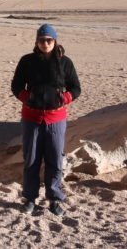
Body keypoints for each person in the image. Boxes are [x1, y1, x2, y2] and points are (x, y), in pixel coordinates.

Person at [10, 23, 81, 216]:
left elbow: (76, 88)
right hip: (31, 117)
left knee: (55, 160)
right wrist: (27, 97)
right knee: (31, 159)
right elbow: (16, 85)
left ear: (55, 40)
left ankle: (54, 199)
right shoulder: (27, 61)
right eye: (42, 40)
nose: (45, 43)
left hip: (56, 119)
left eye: (49, 40)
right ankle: (30, 198)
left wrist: (64, 99)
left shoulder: (65, 62)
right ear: (37, 42)